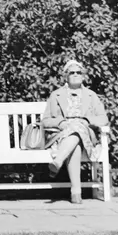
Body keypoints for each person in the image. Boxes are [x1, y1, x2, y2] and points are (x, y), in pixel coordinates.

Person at [41, 59, 109, 205]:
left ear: (83, 76)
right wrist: (61, 123)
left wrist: (87, 121)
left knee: (78, 128)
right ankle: (76, 192)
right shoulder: (56, 95)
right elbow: (45, 120)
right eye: (72, 73)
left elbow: (103, 118)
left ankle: (58, 161)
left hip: (86, 134)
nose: (76, 75)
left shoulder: (91, 95)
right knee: (75, 141)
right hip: (62, 134)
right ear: (66, 76)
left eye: (79, 72)